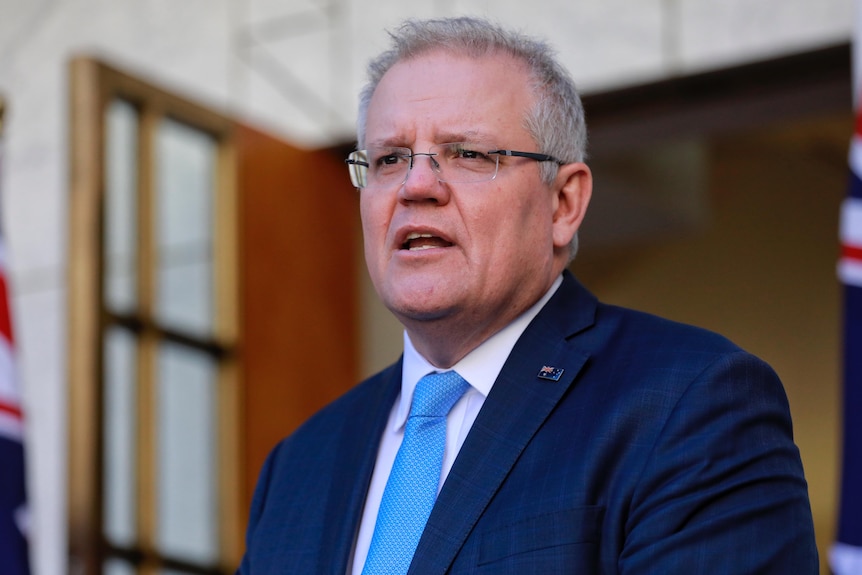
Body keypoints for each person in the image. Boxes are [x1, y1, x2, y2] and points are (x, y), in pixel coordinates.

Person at [238, 16, 818, 574]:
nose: (416, 186)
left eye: (467, 154)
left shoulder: (693, 403)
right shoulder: (298, 468)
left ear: (564, 203)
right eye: (389, 159)